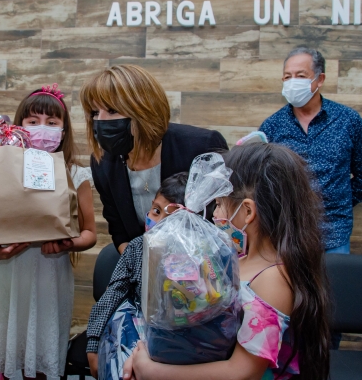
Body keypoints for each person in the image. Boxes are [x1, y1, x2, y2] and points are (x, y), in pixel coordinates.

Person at [123, 142, 331, 380]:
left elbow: (243, 373)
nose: (214, 215)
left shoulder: (273, 280)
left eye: (220, 204)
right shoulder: (237, 258)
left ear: (248, 211)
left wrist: (153, 370)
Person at [0, 84, 97, 379]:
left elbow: (89, 234)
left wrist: (67, 244)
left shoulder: (76, 174)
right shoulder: (3, 168)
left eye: (52, 122)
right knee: (1, 350)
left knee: (42, 355)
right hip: (8, 273)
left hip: (50, 274)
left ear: (64, 129)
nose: (42, 128)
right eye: (33, 122)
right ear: (18, 126)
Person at [80, 64, 228, 254]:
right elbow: (120, 232)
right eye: (94, 113)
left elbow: (225, 221)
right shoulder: (102, 163)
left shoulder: (202, 146)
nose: (100, 120)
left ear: (144, 110)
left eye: (112, 110)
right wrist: (142, 265)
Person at [260, 46, 362, 254]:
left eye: (300, 75)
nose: (292, 82)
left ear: (319, 79)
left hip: (334, 234)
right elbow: (261, 179)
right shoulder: (272, 126)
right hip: (287, 235)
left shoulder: (347, 121)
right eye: (287, 77)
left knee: (334, 286)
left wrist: (338, 202)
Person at [86, 172, 189, 377]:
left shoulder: (197, 261)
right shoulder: (136, 249)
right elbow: (112, 295)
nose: (157, 221)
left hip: (182, 349)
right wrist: (93, 342)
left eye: (170, 218)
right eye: (156, 211)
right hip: (135, 337)